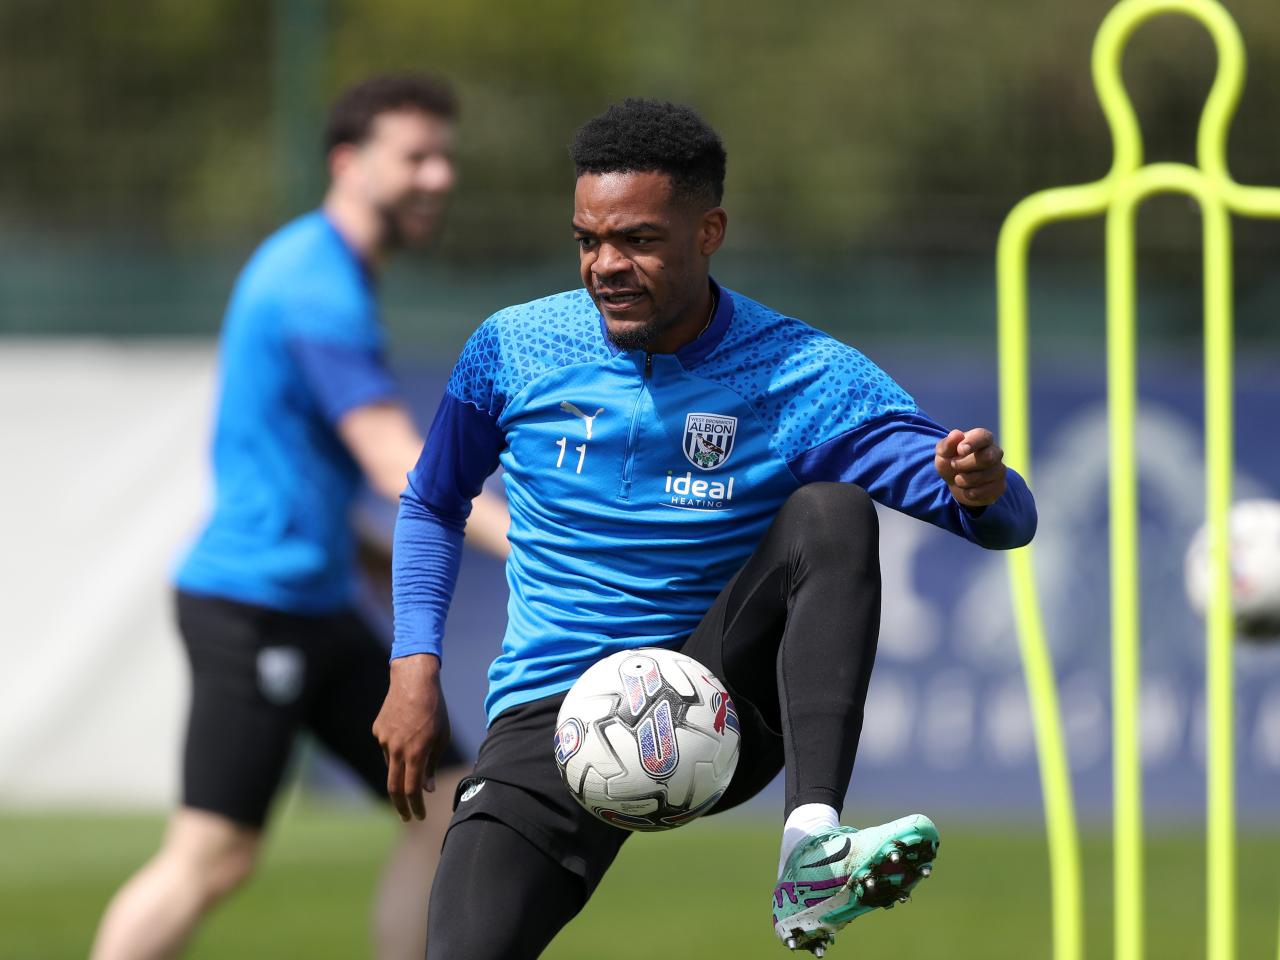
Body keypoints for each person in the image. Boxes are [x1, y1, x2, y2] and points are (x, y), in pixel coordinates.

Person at [375, 98, 1037, 959]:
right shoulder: (512, 348)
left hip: (720, 696)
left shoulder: (798, 373)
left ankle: (812, 853)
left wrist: (981, 488)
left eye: (638, 240)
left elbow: (1006, 519)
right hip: (555, 709)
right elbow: (433, 501)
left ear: (709, 231)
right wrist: (414, 666)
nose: (606, 266)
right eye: (588, 240)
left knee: (830, 511)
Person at [91, 74, 508, 960]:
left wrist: (360, 553)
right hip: (255, 609)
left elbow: (289, 463)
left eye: (445, 158)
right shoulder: (317, 288)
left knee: (447, 803)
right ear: (348, 163)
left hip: (312, 603)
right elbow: (396, 461)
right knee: (210, 857)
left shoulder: (324, 270)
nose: (439, 177)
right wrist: (544, 540)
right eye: (416, 157)